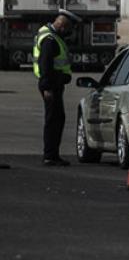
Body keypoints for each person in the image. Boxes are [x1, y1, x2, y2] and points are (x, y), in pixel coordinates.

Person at [34, 9, 81, 166]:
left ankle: (52, 154)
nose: (69, 32)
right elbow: (45, 65)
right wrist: (47, 88)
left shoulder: (50, 35)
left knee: (57, 118)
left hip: (53, 84)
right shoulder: (50, 40)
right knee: (53, 120)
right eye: (68, 29)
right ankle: (50, 155)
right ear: (62, 25)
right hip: (51, 85)